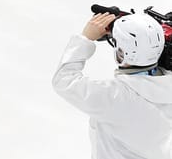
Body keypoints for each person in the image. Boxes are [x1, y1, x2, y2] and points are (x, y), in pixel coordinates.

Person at [52, 11, 172, 159]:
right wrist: (139, 31)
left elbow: (64, 80)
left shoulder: (114, 97)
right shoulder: (167, 85)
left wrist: (86, 38)